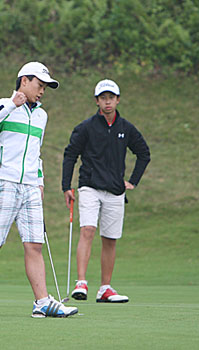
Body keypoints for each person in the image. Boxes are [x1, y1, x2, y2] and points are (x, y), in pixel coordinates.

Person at [0, 62, 78, 318]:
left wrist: (39, 180)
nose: (42, 92)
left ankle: (41, 301)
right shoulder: (4, 106)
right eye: (39, 85)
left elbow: (35, 152)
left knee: (34, 245)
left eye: (45, 88)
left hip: (30, 186)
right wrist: (11, 104)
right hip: (3, 182)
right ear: (24, 81)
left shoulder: (42, 115)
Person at [62, 79, 150, 303]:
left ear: (118, 100)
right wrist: (66, 186)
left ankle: (105, 288)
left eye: (111, 97)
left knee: (110, 238)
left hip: (115, 190)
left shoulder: (125, 128)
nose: (107, 102)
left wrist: (133, 181)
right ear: (97, 101)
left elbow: (143, 153)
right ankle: (81, 282)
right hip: (90, 186)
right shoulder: (86, 128)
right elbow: (70, 155)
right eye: (103, 98)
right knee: (88, 230)